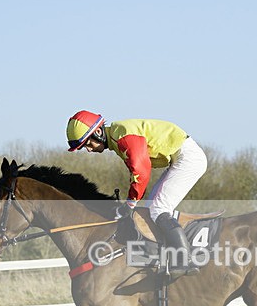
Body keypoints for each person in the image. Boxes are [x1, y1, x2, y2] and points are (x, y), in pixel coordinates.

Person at [66, 110, 207, 278]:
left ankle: (185, 261)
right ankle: (165, 256)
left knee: (159, 209)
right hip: (180, 157)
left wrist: (130, 203)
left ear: (98, 132)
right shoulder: (117, 137)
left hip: (187, 158)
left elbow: (141, 172)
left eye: (88, 144)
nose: (89, 150)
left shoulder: (123, 137)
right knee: (151, 209)